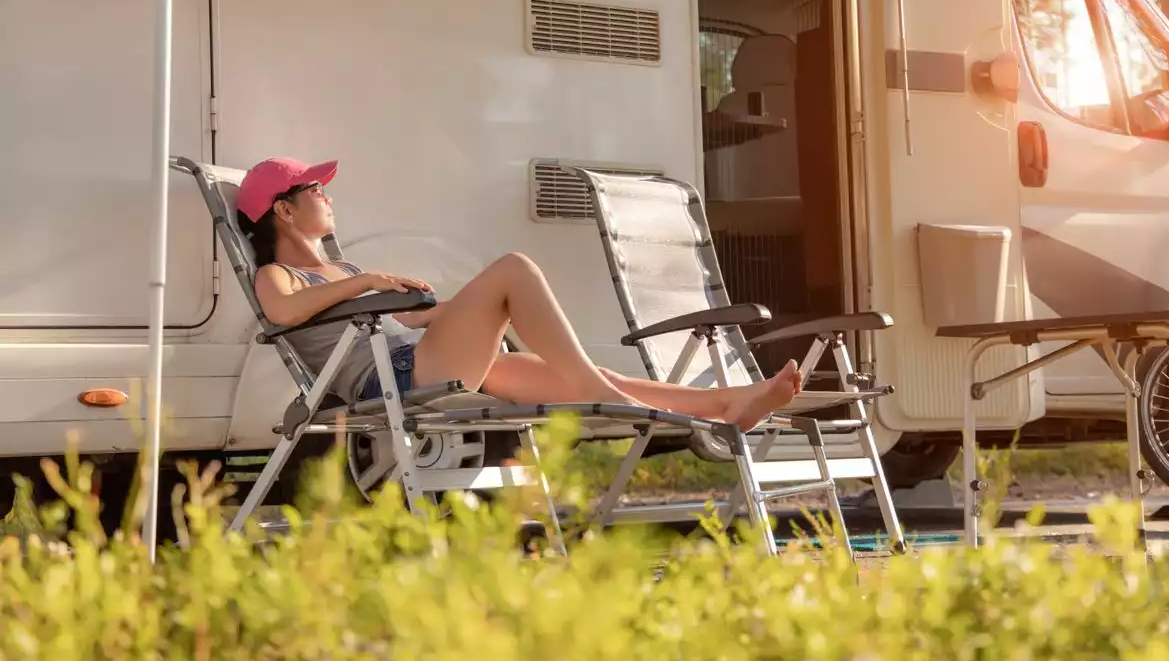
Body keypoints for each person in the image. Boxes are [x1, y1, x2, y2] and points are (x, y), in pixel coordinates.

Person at [235, 157, 802, 431]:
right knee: (514, 269)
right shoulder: (278, 275)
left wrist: (463, 310)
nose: (328, 196)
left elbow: (414, 320)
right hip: (389, 380)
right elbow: (282, 311)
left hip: (415, 357)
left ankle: (730, 405)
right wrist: (367, 281)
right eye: (315, 189)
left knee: (610, 380)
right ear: (284, 210)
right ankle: (601, 394)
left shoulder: (347, 267)